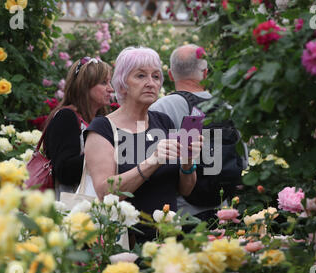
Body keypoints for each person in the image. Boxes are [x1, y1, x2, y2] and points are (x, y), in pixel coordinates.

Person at [85, 47, 201, 245]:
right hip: (127, 244)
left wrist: (188, 161)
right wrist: (152, 161)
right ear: (122, 85)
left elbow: (185, 190)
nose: (151, 83)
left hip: (168, 239)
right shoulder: (103, 128)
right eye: (140, 76)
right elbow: (105, 193)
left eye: (156, 77)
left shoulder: (163, 122)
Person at [149, 44, 218, 223]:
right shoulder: (225, 108)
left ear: (170, 75)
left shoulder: (161, 108)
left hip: (183, 215)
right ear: (206, 73)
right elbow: (243, 159)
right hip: (225, 212)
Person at [43, 57, 114, 200]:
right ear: (85, 86)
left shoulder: (98, 120)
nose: (111, 89)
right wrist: (102, 152)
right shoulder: (66, 117)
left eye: (110, 82)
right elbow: (65, 172)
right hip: (70, 207)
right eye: (103, 83)